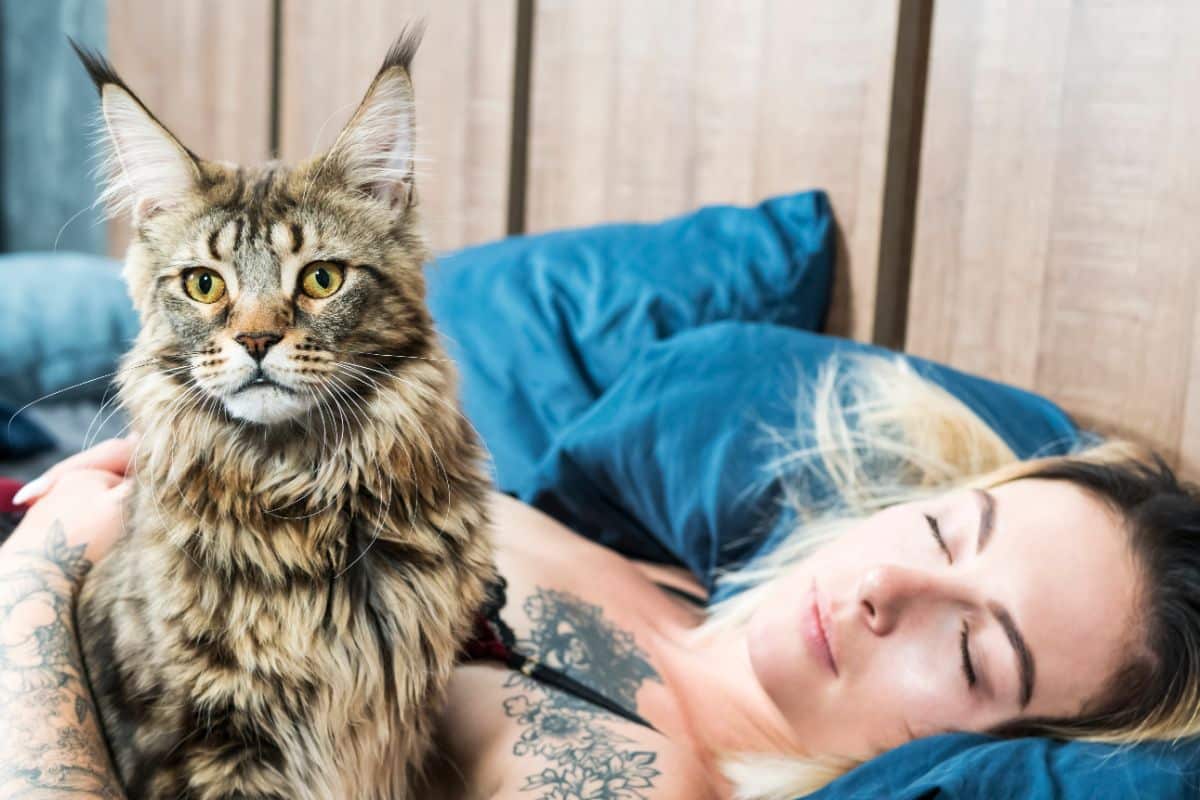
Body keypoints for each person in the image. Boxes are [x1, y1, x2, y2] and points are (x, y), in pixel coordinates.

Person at [1, 356, 1199, 800]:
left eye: (975, 650)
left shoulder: (629, 773)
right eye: (944, 531)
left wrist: (46, 567)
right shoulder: (658, 567)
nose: (890, 587)